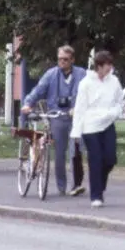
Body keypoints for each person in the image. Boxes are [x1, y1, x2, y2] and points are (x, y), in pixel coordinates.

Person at [21, 45, 89, 196]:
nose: (62, 62)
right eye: (60, 59)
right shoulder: (51, 74)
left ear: (72, 60)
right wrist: (28, 103)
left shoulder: (82, 74)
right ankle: (61, 186)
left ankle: (76, 185)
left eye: (65, 59)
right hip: (57, 117)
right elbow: (39, 90)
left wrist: (78, 107)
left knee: (76, 150)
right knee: (59, 153)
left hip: (76, 117)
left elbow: (88, 92)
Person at [70, 51, 124, 207]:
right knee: (96, 159)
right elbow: (80, 108)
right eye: (108, 65)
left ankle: (99, 184)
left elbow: (120, 102)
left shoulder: (114, 81)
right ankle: (96, 196)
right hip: (90, 126)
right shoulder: (86, 83)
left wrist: (114, 113)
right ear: (99, 66)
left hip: (108, 124)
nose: (110, 68)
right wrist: (76, 132)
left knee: (110, 159)